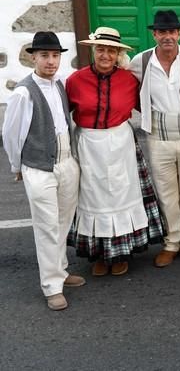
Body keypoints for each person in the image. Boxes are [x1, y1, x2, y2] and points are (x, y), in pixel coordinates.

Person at [66, 27, 165, 276]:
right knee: (92, 197)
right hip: (88, 144)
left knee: (121, 194)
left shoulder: (129, 80)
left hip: (120, 143)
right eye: (101, 49)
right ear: (93, 50)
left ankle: (121, 252)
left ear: (118, 54)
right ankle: (99, 254)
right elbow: (60, 115)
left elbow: (151, 107)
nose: (105, 55)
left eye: (111, 51)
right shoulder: (75, 81)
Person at [2, 32, 84, 310]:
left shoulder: (60, 84)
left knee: (63, 221)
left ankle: (60, 270)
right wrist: (17, 166)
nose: (51, 61)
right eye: (45, 56)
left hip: (65, 161)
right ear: (33, 57)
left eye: (55, 55)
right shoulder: (24, 92)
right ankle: (51, 286)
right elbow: (11, 134)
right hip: (39, 167)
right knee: (46, 226)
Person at [130, 10, 180, 267]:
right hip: (159, 137)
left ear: (179, 33)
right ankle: (171, 242)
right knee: (166, 193)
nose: (167, 36)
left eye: (172, 31)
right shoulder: (140, 61)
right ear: (154, 34)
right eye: (162, 32)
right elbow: (124, 85)